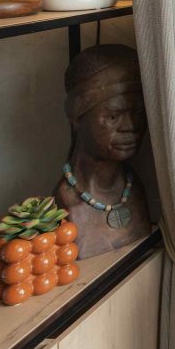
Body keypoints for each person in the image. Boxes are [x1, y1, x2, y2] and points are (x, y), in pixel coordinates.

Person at [54, 43, 153, 257]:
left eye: (137, 113)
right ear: (76, 118)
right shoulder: (68, 207)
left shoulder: (134, 189)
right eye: (113, 117)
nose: (130, 126)